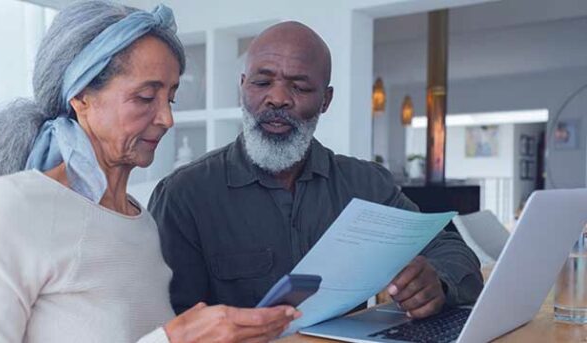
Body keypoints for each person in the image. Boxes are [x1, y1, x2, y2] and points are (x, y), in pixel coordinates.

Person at [0, 2, 298, 342]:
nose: (166, 119)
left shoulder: (140, 222)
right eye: (146, 97)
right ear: (81, 97)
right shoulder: (13, 205)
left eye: (170, 99)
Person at [149, 21, 484, 320]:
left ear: (326, 99)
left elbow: (455, 253)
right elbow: (167, 323)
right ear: (242, 87)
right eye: (262, 82)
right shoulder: (185, 194)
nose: (277, 98)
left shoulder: (365, 184)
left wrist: (435, 280)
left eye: (300, 87)